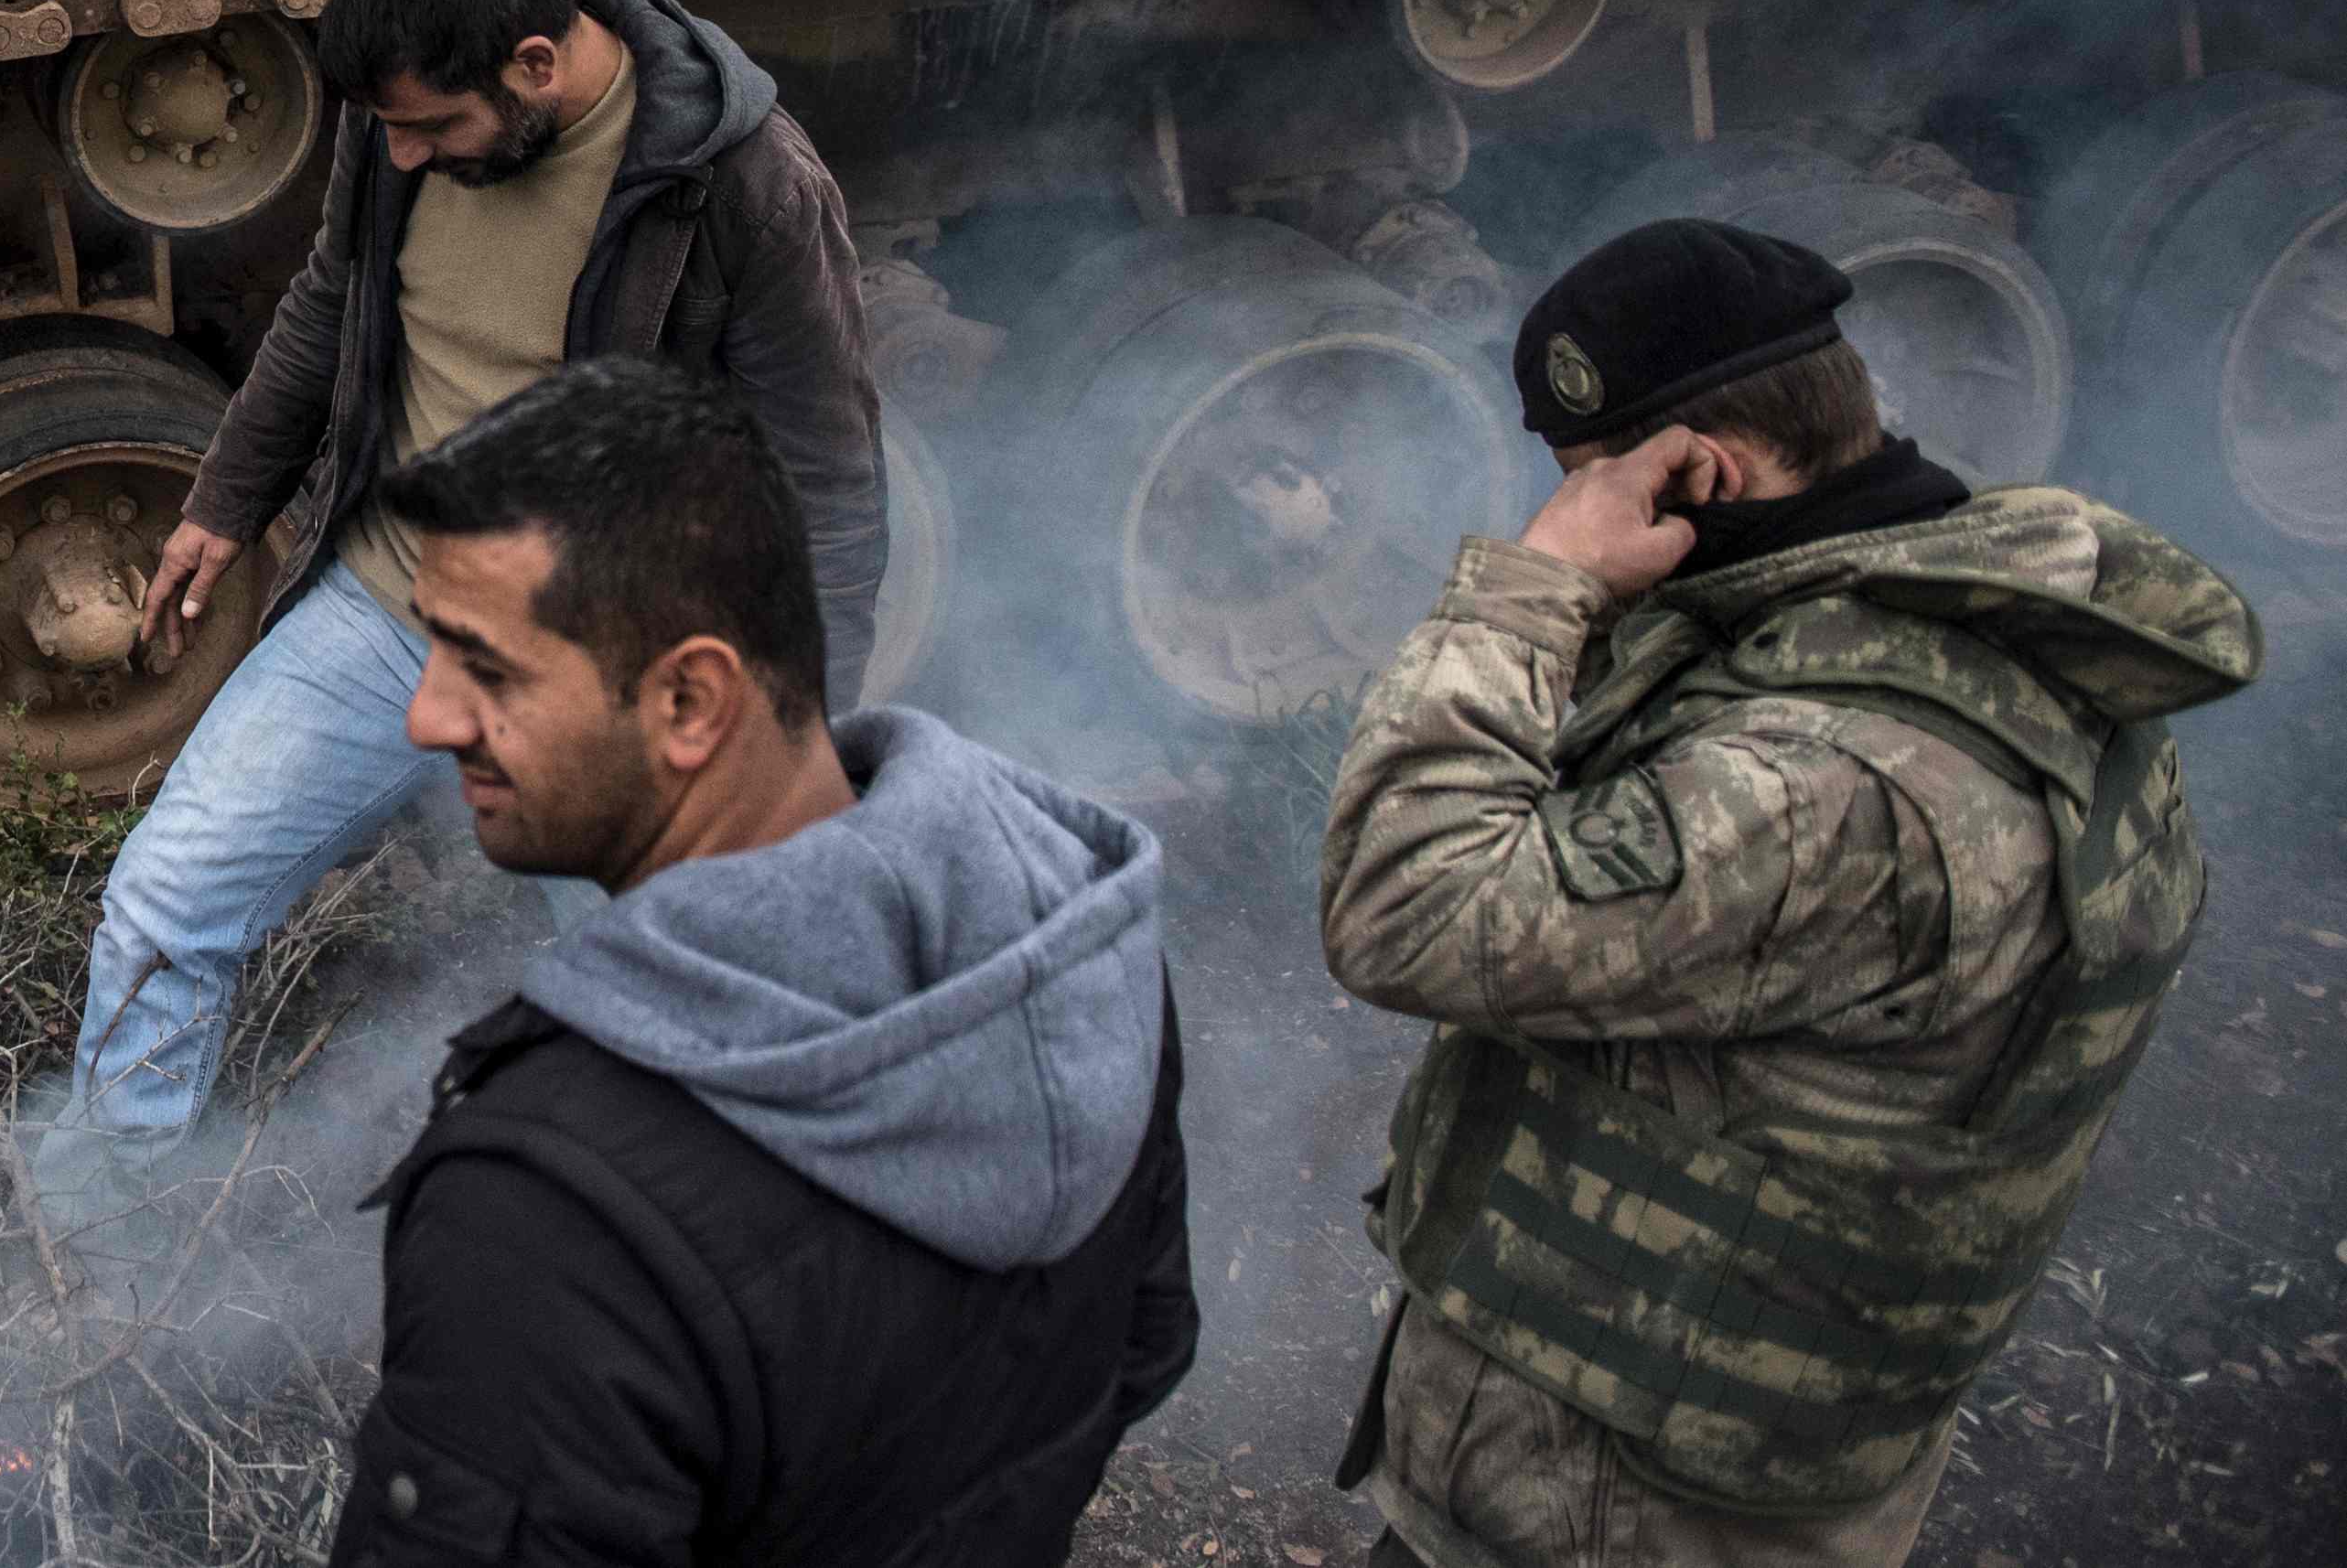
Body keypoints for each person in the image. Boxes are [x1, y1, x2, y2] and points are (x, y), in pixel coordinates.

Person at [1320, 219, 2260, 1568]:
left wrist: (1535, 588)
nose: (1579, 514)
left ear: (1699, 469)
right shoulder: (1959, 618)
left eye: (1594, 482)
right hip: (1737, 1461)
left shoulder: (1833, 780)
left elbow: (1403, 908)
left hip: (1615, 1512)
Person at [64, 0, 883, 1144]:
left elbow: (825, 486)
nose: (401, 156)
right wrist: (226, 502)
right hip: (390, 610)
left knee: (661, 989)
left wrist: (794, 745)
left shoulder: (743, 185)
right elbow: (331, 297)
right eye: (386, 129)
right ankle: (94, 1266)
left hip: (599, 658)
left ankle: (672, 1240)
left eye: (433, 128)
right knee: (163, 905)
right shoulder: (400, 115)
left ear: (536, 63)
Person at [347, 355, 1195, 1564]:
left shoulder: (545, 1220)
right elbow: (1145, 1348)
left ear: (691, 701)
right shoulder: (1068, 942)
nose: (426, 719)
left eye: (485, 667)